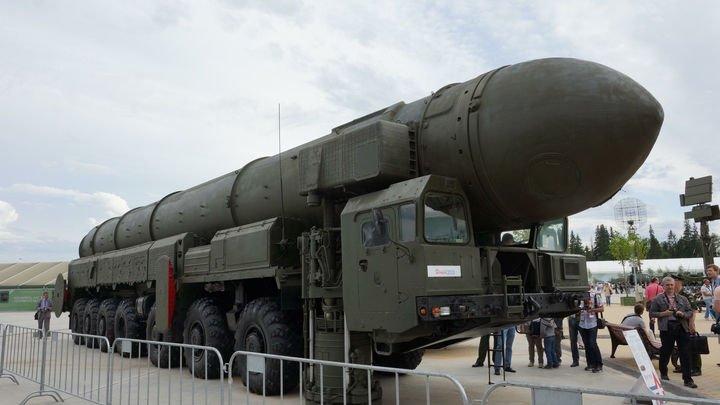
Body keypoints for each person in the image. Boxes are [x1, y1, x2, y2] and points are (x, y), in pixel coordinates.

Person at [648, 276, 696, 388]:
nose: (670, 287)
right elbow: (652, 313)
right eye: (667, 285)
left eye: (671, 285)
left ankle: (688, 379)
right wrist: (663, 314)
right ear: (663, 286)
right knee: (665, 351)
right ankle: (664, 373)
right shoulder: (657, 299)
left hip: (682, 328)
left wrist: (683, 314)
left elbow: (690, 312)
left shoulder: (683, 299)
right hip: (666, 329)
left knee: (685, 353)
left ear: (674, 285)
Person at [671, 275, 701, 377]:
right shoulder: (674, 295)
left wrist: (691, 324)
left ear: (678, 283)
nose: (671, 285)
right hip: (677, 324)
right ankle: (684, 366)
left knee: (693, 345)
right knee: (682, 346)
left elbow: (693, 310)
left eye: (672, 283)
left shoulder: (687, 295)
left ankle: (696, 368)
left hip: (687, 323)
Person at [579, 289, 604, 373]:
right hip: (582, 323)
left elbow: (602, 309)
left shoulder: (595, 296)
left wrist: (592, 310)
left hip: (592, 323)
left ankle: (599, 364)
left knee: (592, 343)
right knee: (587, 344)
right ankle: (590, 363)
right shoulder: (579, 296)